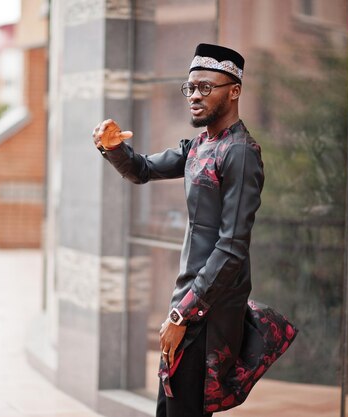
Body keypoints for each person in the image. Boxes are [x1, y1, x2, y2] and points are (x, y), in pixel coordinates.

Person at [92, 44, 266, 416]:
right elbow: (141, 169)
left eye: (206, 87)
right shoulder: (201, 146)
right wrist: (112, 149)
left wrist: (181, 315)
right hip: (188, 303)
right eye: (190, 88)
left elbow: (232, 247)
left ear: (234, 91)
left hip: (209, 310)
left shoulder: (240, 152)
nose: (195, 96)